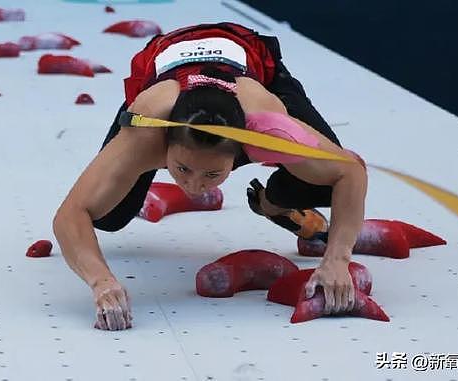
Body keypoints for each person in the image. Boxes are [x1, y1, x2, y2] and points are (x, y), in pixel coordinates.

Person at [53, 22, 367, 331]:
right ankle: (208, 174)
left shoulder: (269, 130)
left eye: (213, 173)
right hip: (170, 72)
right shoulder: (145, 134)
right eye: (182, 169)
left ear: (244, 150)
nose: (194, 186)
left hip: (248, 63)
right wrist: (101, 281)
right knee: (108, 216)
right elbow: (70, 215)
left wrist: (337, 260)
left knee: (324, 186)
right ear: (165, 148)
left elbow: (351, 171)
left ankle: (274, 203)